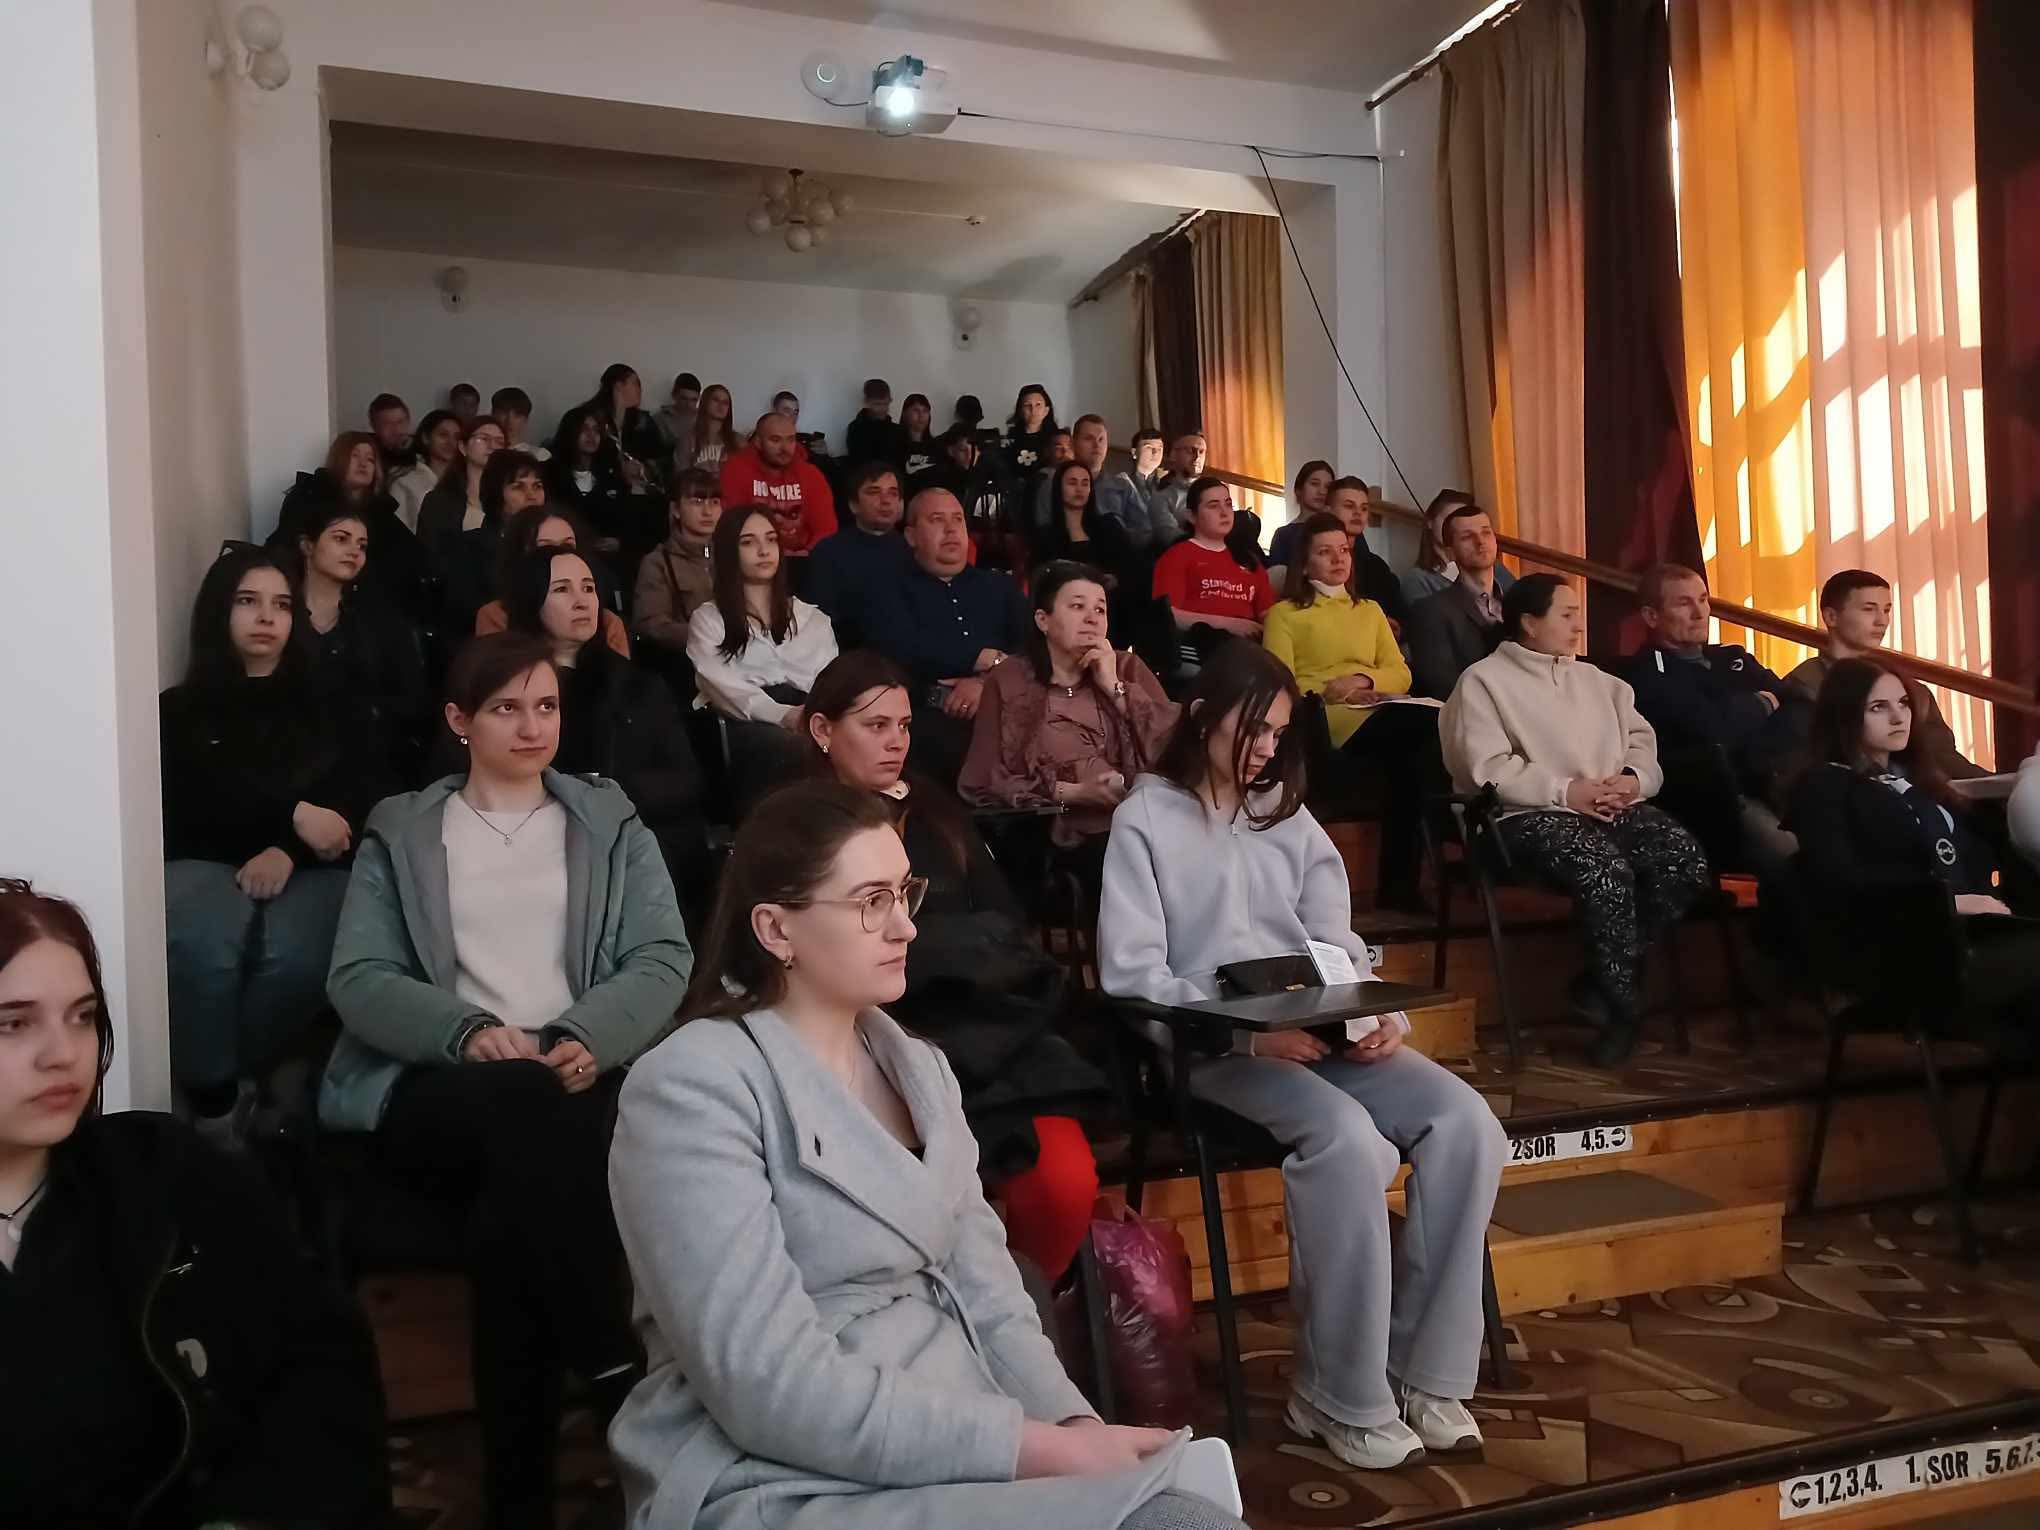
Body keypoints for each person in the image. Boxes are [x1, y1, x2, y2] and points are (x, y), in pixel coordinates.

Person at [607, 780, 1238, 1530]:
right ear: (776, 929)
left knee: (1184, 1514)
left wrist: (1073, 1426)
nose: (906, 926)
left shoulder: (919, 1067)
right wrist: (1039, 1452)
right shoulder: (692, 1086)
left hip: (954, 1430)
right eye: (871, 901)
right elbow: (765, 1385)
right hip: (779, 1472)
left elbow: (991, 1293)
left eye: (906, 892)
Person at [1098, 642, 1508, 1471]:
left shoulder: (1283, 811)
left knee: (1468, 1123)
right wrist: (1248, 1036)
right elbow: (1134, 976)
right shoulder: (1145, 817)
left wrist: (1376, 1011)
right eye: (1253, 730)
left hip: (1319, 1028)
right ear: (1204, 718)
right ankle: (1337, 1395)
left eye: (1279, 734)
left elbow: (1334, 940)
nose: (1265, 749)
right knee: (1350, 1141)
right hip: (1213, 1048)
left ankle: (1425, 1374)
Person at [321, 631, 691, 1528]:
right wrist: (469, 1030)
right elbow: (359, 977)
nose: (533, 727)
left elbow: (662, 956)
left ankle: (515, 1500)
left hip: (575, 1075)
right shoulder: (404, 829)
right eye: (506, 709)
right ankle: (614, 1369)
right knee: (526, 1113)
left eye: (547, 706)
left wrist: (586, 1036)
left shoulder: (608, 820)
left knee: (513, 1217)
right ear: (460, 720)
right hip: (438, 1084)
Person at [0, 879, 389, 1529]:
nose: (63, 1054)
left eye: (83, 1016)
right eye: (14, 1023)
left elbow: (318, 1362)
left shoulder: (164, 1172)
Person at [802, 654, 1110, 1280]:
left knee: (1064, 1183)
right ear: (823, 731)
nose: (896, 742)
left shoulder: (934, 808)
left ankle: (1026, 1305)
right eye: (875, 725)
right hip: (871, 1039)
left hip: (984, 1027)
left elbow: (1006, 922)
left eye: (904, 725)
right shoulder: (795, 824)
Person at [160, 547, 387, 1143]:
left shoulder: (333, 705)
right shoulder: (178, 710)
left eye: (282, 604)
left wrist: (288, 849)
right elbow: (189, 804)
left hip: (312, 870)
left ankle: (243, 1081)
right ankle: (216, 1101)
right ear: (219, 611)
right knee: (204, 942)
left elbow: (352, 802)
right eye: (248, 601)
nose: (267, 617)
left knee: (294, 955)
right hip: (205, 862)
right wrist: (291, 816)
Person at [1440, 574, 1710, 1064]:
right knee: (1602, 866)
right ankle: (1621, 1009)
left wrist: (1632, 780)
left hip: (1607, 807)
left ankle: (1599, 981)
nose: (1578, 625)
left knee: (1681, 857)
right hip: (1519, 818)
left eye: (1577, 614)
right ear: (1528, 623)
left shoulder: (1600, 682)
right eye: (1566, 615)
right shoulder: (1482, 682)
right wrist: (1566, 791)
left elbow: (1641, 743)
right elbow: (1487, 769)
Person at [1786, 658, 2039, 1030]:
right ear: (1845, 716)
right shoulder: (1823, 787)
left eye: (1903, 703)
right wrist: (1950, 902)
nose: (1898, 717)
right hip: (1903, 951)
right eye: (1878, 707)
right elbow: (1842, 882)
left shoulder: (1921, 783)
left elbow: (1988, 850)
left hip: (1978, 932)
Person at [501, 549, 709, 914]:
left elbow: (685, 779)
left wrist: (613, 797)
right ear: (532, 600)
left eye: (589, 588)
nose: (582, 601)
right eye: (562, 589)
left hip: (632, 829)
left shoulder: (638, 685)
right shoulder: (502, 686)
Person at [1262, 513, 1440, 913]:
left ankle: (1401, 885)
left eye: (1344, 550)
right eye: (1325, 552)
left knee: (1422, 742)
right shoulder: (1285, 614)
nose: (1339, 559)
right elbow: (1280, 681)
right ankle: (1400, 886)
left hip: (1380, 706)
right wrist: (1332, 689)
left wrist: (1362, 680)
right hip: (1326, 715)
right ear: (1304, 564)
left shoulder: (1370, 610)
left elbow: (1401, 673)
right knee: (1417, 736)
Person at [960, 561, 1177, 860]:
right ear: (1043, 620)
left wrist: (1113, 687)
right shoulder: (1009, 679)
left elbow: (1175, 750)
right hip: (1053, 843)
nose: (1092, 619)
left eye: (1100, 610)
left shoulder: (1127, 668)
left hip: (1146, 827)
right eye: (1077, 606)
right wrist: (1072, 792)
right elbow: (981, 779)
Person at [1617, 562, 1802, 878]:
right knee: (1798, 859)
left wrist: (1745, 717)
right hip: (1725, 798)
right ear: (1651, 616)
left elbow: (1797, 704)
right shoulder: (1645, 673)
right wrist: (1763, 702)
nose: (1699, 612)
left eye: (1703, 599)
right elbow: (1708, 728)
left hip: (1781, 780)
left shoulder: (1733, 657)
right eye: (1683, 603)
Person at [868, 487, 1032, 782]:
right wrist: (977, 657)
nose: (951, 529)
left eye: (957, 519)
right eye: (937, 520)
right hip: (927, 719)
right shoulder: (887, 590)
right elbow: (902, 648)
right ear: (911, 536)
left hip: (1007, 709)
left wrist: (986, 682)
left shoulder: (999, 587)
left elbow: (1032, 648)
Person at [687, 505, 840, 802]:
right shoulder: (709, 620)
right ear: (729, 552)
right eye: (748, 542)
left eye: (771, 539)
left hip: (812, 712)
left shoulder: (812, 618)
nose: (763, 550)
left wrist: (814, 715)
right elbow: (725, 690)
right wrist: (784, 715)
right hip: (749, 723)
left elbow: (831, 682)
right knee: (801, 750)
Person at [1783, 569, 1984, 780]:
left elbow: (1945, 758)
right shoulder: (1805, 684)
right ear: (1831, 617)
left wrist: (1997, 784)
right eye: (1869, 609)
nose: (1882, 621)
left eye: (1887, 610)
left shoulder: (1909, 688)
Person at [295, 502, 430, 781]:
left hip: (367, 765)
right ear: (307, 546)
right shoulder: (282, 616)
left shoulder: (380, 620)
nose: (354, 551)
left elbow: (410, 699)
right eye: (341, 539)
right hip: (296, 763)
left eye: (362, 545)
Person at [272, 430, 436, 627]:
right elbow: (284, 548)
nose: (363, 463)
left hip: (370, 611)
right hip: (310, 602)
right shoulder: (308, 498)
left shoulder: (381, 513)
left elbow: (413, 556)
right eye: (355, 456)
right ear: (339, 459)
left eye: (370, 459)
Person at [475, 502, 633, 657]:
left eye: (568, 547)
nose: (559, 556)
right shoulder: (496, 616)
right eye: (545, 548)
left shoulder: (608, 623)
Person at [1150, 477, 1275, 656]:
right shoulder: (1177, 555)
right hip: (1200, 645)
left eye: (1228, 504)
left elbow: (1268, 614)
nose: (1224, 512)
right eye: (1213, 506)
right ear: (1191, 516)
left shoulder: (1249, 560)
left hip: (1250, 647)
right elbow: (1168, 614)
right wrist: (1230, 624)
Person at [444, 449, 556, 643]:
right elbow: (466, 613)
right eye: (518, 487)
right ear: (496, 495)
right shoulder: (468, 548)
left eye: (537, 486)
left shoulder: (557, 541)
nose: (532, 496)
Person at [548, 402, 658, 591]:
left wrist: (620, 543)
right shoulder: (551, 474)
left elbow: (632, 523)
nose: (591, 436)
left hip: (609, 563)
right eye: (584, 429)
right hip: (563, 559)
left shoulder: (612, 477)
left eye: (596, 430)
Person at [1405, 502, 1508, 700]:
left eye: (1486, 532)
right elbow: (1444, 686)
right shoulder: (1429, 611)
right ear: (1450, 552)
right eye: (1467, 536)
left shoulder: (1519, 602)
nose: (1480, 541)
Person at [805, 461, 912, 649]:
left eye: (893, 493)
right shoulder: (828, 552)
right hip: (848, 652)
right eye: (874, 492)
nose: (885, 500)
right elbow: (821, 620)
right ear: (854, 504)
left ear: (901, 504)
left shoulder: (914, 550)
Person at [1272, 478, 1404, 628]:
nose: (1358, 513)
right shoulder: (1311, 559)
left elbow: (1399, 616)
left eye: (1364, 508)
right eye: (1349, 506)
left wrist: (1396, 627)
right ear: (1327, 510)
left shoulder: (1377, 566)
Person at [1034, 459, 1144, 638]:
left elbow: (1133, 566)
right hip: (1068, 605)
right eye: (1072, 483)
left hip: (1111, 602)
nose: (1079, 489)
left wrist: (1116, 579)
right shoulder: (1046, 535)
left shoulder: (1109, 526)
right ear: (1058, 488)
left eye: (1085, 483)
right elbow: (1043, 576)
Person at [632, 466, 722, 665]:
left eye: (714, 502)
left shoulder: (729, 556)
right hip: (684, 664)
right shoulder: (657, 563)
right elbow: (651, 626)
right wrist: (708, 635)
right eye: (697, 501)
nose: (708, 511)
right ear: (676, 510)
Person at [720, 411, 838, 558]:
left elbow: (826, 528)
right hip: (751, 557)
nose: (784, 448)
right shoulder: (736, 470)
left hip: (803, 558)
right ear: (758, 442)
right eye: (775, 440)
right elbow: (731, 526)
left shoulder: (810, 474)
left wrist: (807, 553)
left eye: (790, 440)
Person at [1034, 415, 1152, 548]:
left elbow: (1145, 531)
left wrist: (1117, 537)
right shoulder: (1053, 482)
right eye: (1089, 439)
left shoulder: (1123, 485)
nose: (1097, 445)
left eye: (1101, 439)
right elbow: (1043, 530)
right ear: (1073, 444)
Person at [416, 414, 507, 565]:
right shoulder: (439, 501)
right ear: (463, 447)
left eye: (500, 442)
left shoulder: (511, 498)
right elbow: (427, 555)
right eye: (484, 439)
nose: (493, 446)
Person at [1400, 489, 1515, 606]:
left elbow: (1519, 599)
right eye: (1448, 519)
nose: (1456, 527)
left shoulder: (1488, 563)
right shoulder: (1417, 580)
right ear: (1430, 522)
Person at [930, 423, 1014, 564]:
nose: (970, 455)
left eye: (975, 449)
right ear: (951, 451)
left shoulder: (996, 478)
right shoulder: (941, 482)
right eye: (963, 450)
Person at [590, 362, 668, 487]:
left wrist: (644, 469)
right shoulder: (590, 419)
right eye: (635, 383)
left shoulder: (643, 421)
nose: (640, 390)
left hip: (638, 489)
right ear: (619, 386)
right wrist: (619, 468)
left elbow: (661, 457)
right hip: (599, 487)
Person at [388, 407, 462, 532]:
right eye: (443, 435)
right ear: (426, 438)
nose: (451, 442)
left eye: (457, 437)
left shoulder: (465, 482)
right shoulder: (405, 481)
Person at [1264, 459, 1335, 571]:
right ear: (1299, 489)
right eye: (1315, 484)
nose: (1322, 492)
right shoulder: (1284, 534)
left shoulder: (1339, 529)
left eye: (1327, 487)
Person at [1144, 431, 1208, 546]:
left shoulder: (1214, 490)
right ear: (1173, 454)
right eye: (1191, 451)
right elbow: (1171, 538)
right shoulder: (1161, 498)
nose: (1197, 457)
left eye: (1201, 451)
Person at [679, 381, 742, 474]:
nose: (720, 405)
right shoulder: (687, 439)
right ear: (705, 402)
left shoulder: (738, 440)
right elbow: (681, 476)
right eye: (716, 400)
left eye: (725, 403)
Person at [1004, 383, 1060, 479]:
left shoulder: (1056, 439)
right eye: (1027, 405)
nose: (1033, 410)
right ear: (1020, 411)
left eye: (1038, 405)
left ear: (1046, 410)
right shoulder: (1010, 440)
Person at [844, 376, 902, 469]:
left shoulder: (896, 430)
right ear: (867, 402)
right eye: (877, 404)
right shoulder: (856, 429)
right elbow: (859, 464)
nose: (883, 409)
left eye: (886, 404)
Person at [490, 385, 548, 461]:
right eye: (504, 412)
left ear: (526, 419)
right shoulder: (484, 451)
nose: (509, 420)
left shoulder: (539, 455)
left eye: (517, 415)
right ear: (493, 414)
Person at [897, 392, 941, 487]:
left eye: (925, 411)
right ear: (904, 413)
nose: (921, 415)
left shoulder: (937, 446)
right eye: (916, 410)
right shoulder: (895, 444)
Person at [653, 370, 702, 454]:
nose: (689, 405)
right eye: (684, 398)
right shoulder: (660, 419)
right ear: (674, 395)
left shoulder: (704, 418)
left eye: (694, 400)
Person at [368, 391, 413, 475]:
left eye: (400, 422)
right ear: (374, 427)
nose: (397, 430)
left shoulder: (424, 450)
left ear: (409, 420)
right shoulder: (368, 457)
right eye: (388, 424)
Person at [1130, 429, 1167, 497]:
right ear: (1134, 452)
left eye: (1159, 449)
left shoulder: (1169, 484)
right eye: (1149, 447)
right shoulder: (1122, 483)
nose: (1155, 452)